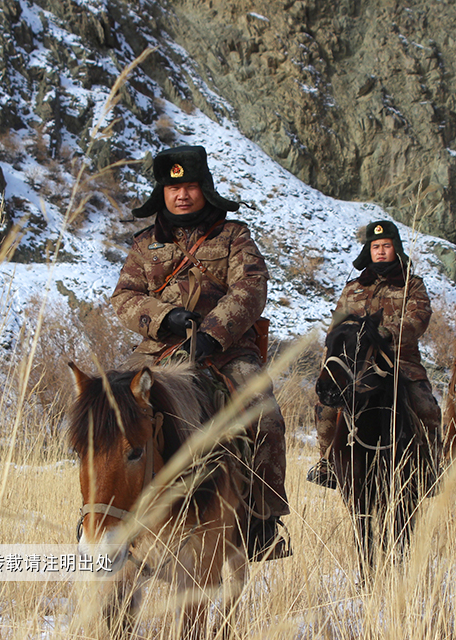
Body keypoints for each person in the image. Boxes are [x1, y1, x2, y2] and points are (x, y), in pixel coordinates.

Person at [111, 145, 290, 560]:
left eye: (190, 186)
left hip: (226, 353)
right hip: (157, 352)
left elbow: (252, 286)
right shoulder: (144, 245)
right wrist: (164, 317)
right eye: (174, 188)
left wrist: (212, 332)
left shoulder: (234, 236)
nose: (182, 195)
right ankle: (102, 516)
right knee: (109, 412)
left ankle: (260, 524)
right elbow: (124, 297)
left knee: (267, 421)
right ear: (163, 193)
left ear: (204, 189)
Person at [307, 220, 442, 488]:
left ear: (396, 249)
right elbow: (336, 330)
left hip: (400, 362)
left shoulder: (411, 285)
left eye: (386, 246)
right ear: (368, 250)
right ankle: (327, 463)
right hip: (354, 366)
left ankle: (429, 469)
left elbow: (419, 318)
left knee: (427, 409)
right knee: (325, 410)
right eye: (375, 246)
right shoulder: (353, 287)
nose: (380, 251)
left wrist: (387, 333)